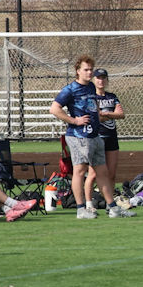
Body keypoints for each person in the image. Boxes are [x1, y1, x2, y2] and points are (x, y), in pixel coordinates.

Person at [52, 55, 129, 218]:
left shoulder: (91, 87)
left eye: (91, 69)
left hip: (95, 136)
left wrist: (103, 116)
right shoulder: (70, 89)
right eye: (86, 70)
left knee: (102, 172)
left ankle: (113, 208)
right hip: (79, 136)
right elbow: (54, 109)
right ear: (78, 71)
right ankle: (81, 209)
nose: (89, 73)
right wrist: (74, 120)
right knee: (79, 171)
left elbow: (94, 109)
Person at [90, 68, 125, 208]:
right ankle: (89, 202)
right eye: (98, 78)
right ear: (93, 80)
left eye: (103, 78)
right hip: (97, 137)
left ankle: (109, 203)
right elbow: (96, 117)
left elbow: (121, 114)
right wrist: (110, 114)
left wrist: (105, 114)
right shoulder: (92, 97)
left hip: (111, 137)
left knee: (111, 173)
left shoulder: (112, 96)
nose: (101, 80)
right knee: (93, 174)